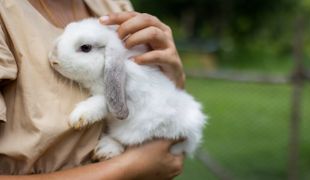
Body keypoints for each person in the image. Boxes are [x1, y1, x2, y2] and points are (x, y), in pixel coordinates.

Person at [0, 0, 185, 179]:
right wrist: (132, 167)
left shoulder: (114, 5)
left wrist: (173, 78)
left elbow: (169, 130)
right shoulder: (6, 16)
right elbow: (156, 161)